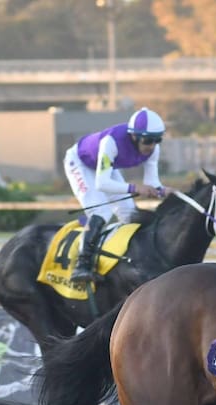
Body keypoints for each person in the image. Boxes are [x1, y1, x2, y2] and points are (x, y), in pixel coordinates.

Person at [63, 107, 173, 284]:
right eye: (147, 140)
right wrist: (135, 188)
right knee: (101, 212)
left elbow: (152, 183)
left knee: (130, 215)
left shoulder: (153, 149)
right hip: (80, 164)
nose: (151, 145)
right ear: (134, 136)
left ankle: (126, 260)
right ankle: (82, 265)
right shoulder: (111, 142)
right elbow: (102, 183)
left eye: (157, 140)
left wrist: (164, 191)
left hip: (106, 168)